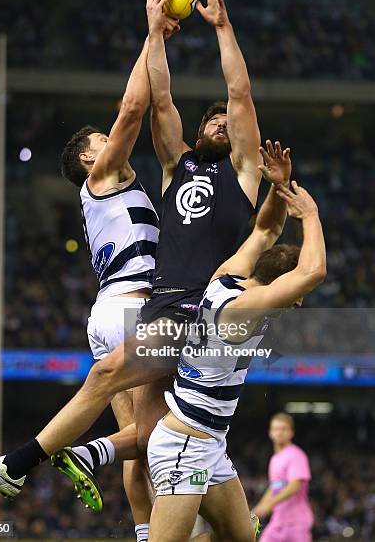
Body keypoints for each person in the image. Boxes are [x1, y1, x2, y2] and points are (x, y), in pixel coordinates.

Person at [0, 0, 261, 527]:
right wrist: (156, 36)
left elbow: (239, 95)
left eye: (223, 122)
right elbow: (154, 100)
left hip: (194, 311)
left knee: (155, 422)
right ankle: (149, 509)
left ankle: (26, 464)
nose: (217, 122)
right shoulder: (172, 168)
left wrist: (222, 29)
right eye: (207, 118)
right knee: (167, 431)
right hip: (151, 304)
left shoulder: (243, 173)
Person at [146, 146, 326, 542]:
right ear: (280, 288)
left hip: (208, 445)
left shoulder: (227, 277)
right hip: (185, 443)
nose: (295, 306)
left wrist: (278, 188)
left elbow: (265, 231)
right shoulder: (243, 309)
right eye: (294, 300)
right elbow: (313, 271)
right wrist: (310, 215)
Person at [253, 413, 313, 542]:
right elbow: (274, 487)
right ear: (270, 433)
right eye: (276, 429)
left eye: (283, 429)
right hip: (278, 522)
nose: (279, 433)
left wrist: (270, 504)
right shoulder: (274, 459)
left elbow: (295, 485)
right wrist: (255, 512)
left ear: (291, 433)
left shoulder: (296, 455)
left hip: (297, 523)